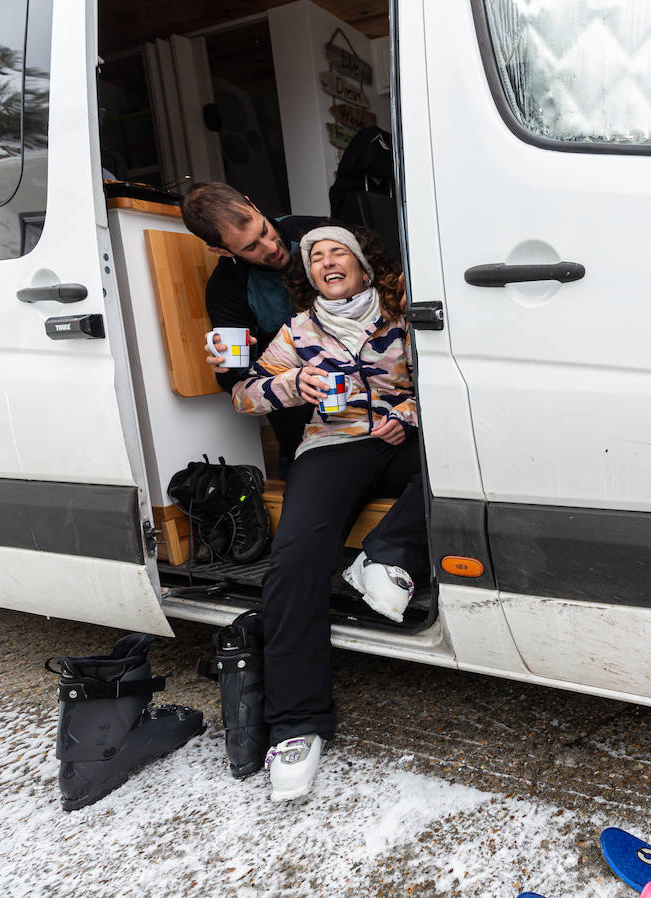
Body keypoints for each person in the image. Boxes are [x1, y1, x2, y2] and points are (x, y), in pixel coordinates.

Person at [229, 225, 426, 801]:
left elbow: (447, 379)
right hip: (331, 443)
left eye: (338, 251)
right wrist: (293, 383)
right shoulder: (298, 330)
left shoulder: (403, 317)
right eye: (316, 257)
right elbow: (245, 393)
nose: (326, 260)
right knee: (294, 562)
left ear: (364, 267)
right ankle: (296, 723)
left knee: (459, 469)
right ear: (310, 276)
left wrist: (408, 413)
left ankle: (385, 558)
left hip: (401, 439)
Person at [180, 182, 324, 475]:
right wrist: (226, 367)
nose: (270, 247)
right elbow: (238, 380)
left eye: (263, 231)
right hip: (301, 414)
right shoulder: (227, 290)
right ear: (219, 250)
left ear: (252, 204)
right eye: (251, 247)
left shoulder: (312, 231)